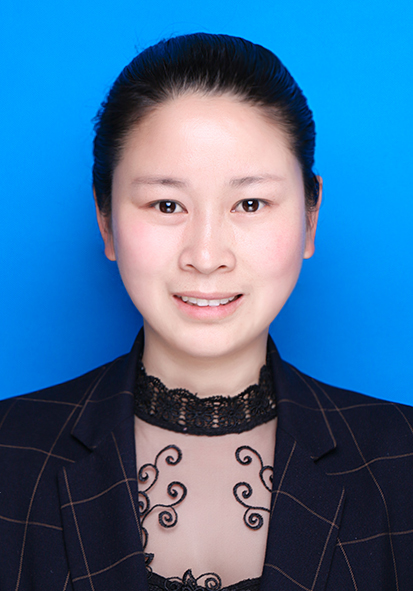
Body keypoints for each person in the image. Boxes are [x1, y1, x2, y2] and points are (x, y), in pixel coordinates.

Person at [0, 33, 412, 591]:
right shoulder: (9, 453)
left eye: (250, 203)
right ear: (106, 220)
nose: (207, 255)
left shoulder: (401, 460)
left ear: (310, 217)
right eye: (167, 204)